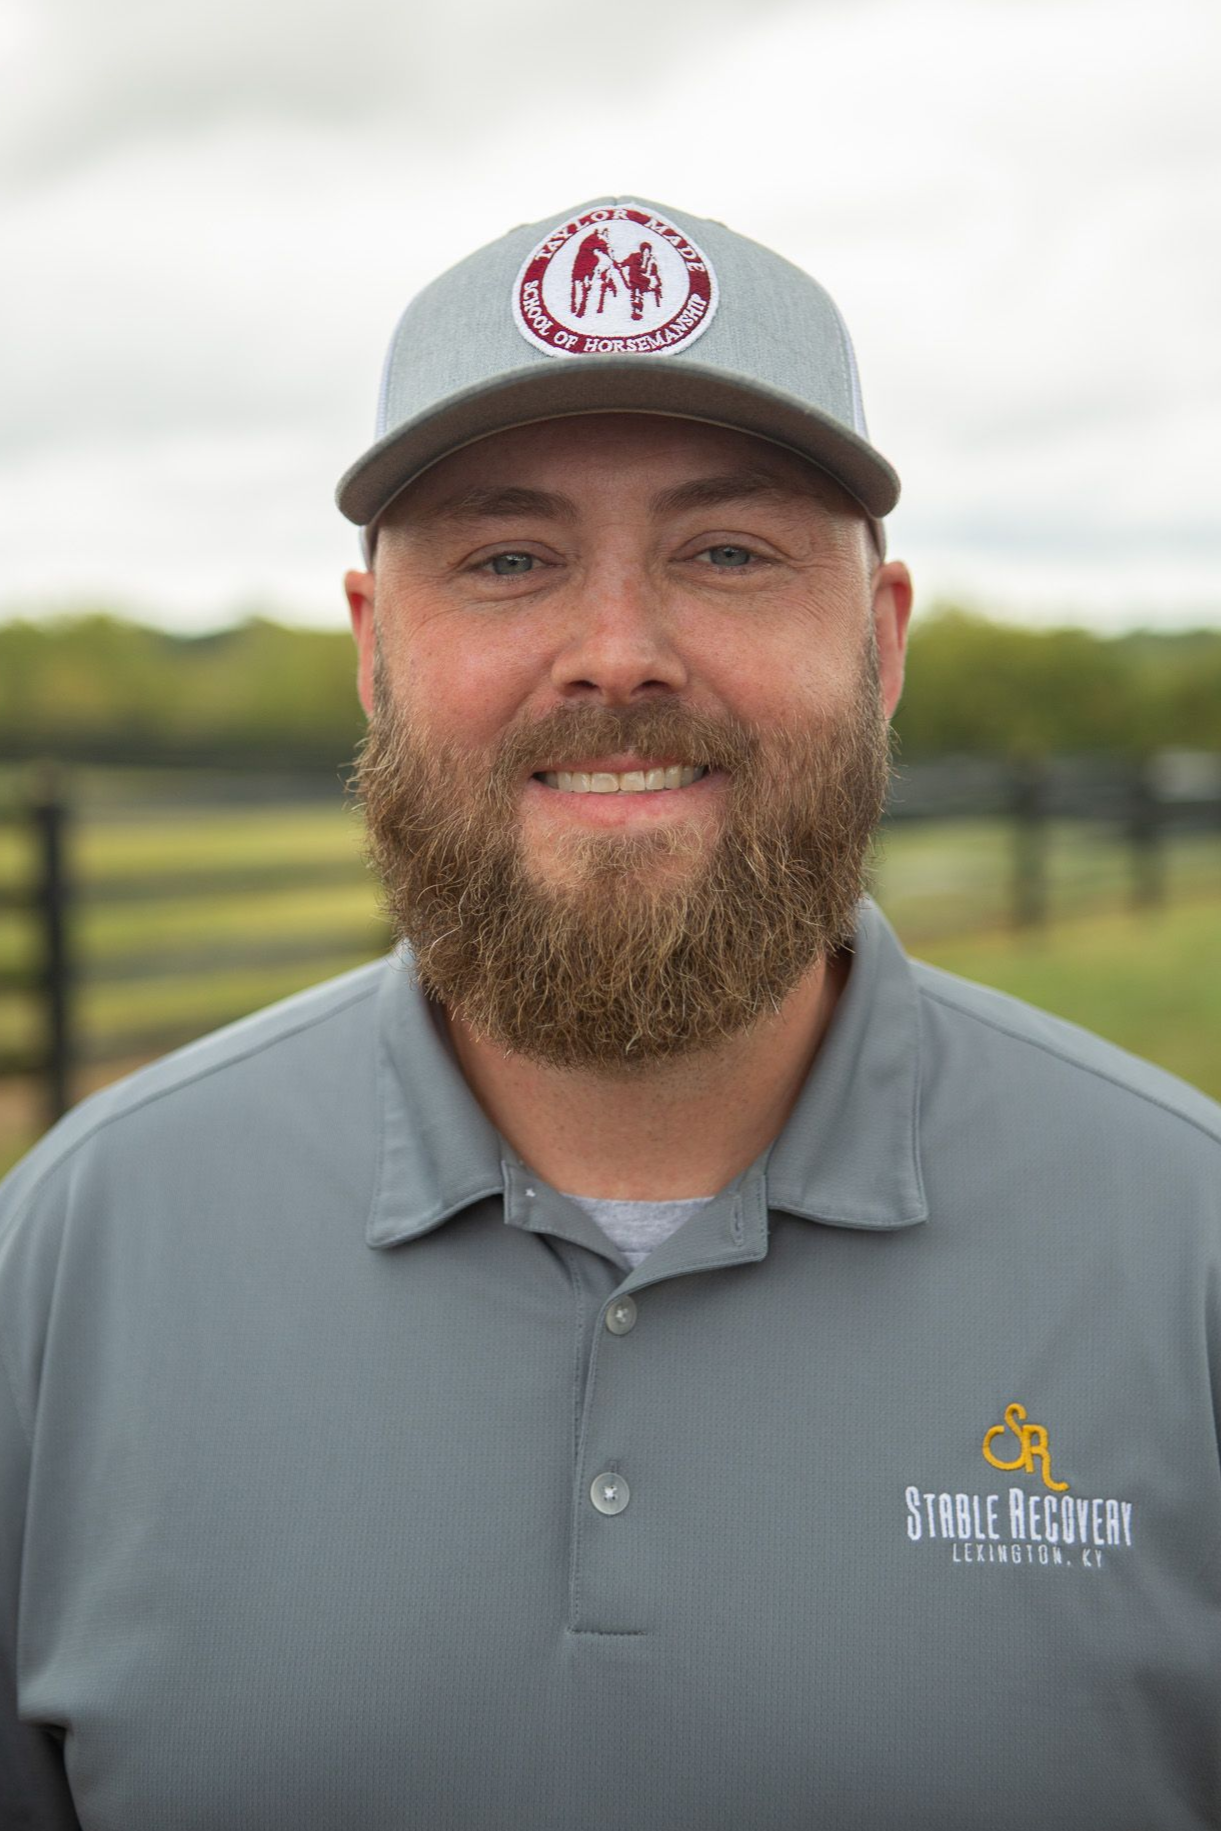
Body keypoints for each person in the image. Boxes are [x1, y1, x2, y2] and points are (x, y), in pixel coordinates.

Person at [2, 196, 1219, 1831]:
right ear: (374, 656)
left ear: (879, 640)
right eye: (509, 560)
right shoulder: (70, 1254)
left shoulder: (1190, 1248)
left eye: (728, 551)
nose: (619, 655)